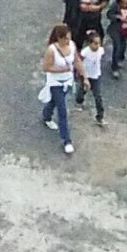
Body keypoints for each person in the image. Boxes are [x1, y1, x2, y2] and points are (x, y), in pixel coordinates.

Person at [40, 21, 81, 153]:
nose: (69, 41)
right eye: (66, 39)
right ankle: (66, 140)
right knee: (62, 110)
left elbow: (76, 60)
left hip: (67, 81)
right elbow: (46, 67)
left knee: (54, 102)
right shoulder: (52, 50)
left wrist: (84, 76)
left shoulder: (72, 46)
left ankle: (46, 115)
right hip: (56, 83)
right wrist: (62, 69)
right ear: (59, 38)